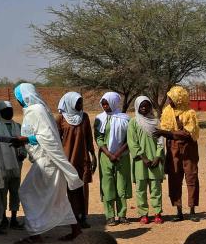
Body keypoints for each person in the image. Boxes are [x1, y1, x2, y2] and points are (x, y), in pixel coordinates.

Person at [9, 84, 83, 244]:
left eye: (18, 97)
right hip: (44, 159)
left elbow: (48, 137)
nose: (17, 101)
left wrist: (25, 139)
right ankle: (76, 230)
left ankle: (35, 234)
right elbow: (38, 135)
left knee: (26, 192)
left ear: (24, 96)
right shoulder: (34, 110)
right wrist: (22, 142)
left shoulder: (37, 109)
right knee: (57, 198)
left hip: (47, 161)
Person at [159, 86, 201, 222]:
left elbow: (188, 134)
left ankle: (192, 210)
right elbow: (165, 128)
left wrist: (169, 133)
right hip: (173, 148)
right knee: (175, 178)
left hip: (189, 149)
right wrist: (172, 134)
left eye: (172, 99)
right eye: (169, 98)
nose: (169, 101)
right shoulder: (167, 112)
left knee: (191, 177)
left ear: (179, 99)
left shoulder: (190, 113)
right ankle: (178, 210)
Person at [57, 92, 95, 226]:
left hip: (83, 158)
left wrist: (93, 155)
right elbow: (56, 139)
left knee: (83, 188)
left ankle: (83, 216)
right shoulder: (61, 119)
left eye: (81, 102)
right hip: (67, 160)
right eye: (77, 103)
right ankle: (72, 217)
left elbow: (89, 138)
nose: (80, 105)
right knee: (70, 189)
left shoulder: (84, 117)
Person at [95, 92, 132, 226]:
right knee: (108, 185)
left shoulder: (126, 119)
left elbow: (129, 139)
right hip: (106, 157)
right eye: (103, 103)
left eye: (107, 103)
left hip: (122, 157)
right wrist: (109, 154)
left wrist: (118, 153)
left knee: (121, 186)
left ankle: (122, 215)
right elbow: (98, 138)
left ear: (114, 103)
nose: (105, 106)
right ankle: (110, 215)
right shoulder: (99, 119)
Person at [0, 100, 26, 229]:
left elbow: (23, 144)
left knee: (15, 192)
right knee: (2, 192)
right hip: (0, 165)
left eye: (11, 110)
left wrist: (23, 153)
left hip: (16, 165)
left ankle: (14, 218)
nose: (9, 112)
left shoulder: (19, 126)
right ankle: (3, 218)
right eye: (6, 111)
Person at [126, 97, 165, 224]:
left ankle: (157, 213)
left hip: (155, 160)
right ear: (137, 107)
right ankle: (143, 214)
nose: (144, 107)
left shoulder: (156, 122)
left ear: (150, 107)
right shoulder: (133, 122)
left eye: (147, 105)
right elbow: (132, 142)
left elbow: (161, 141)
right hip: (140, 161)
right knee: (141, 189)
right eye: (141, 106)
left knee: (156, 188)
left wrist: (157, 157)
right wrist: (143, 158)